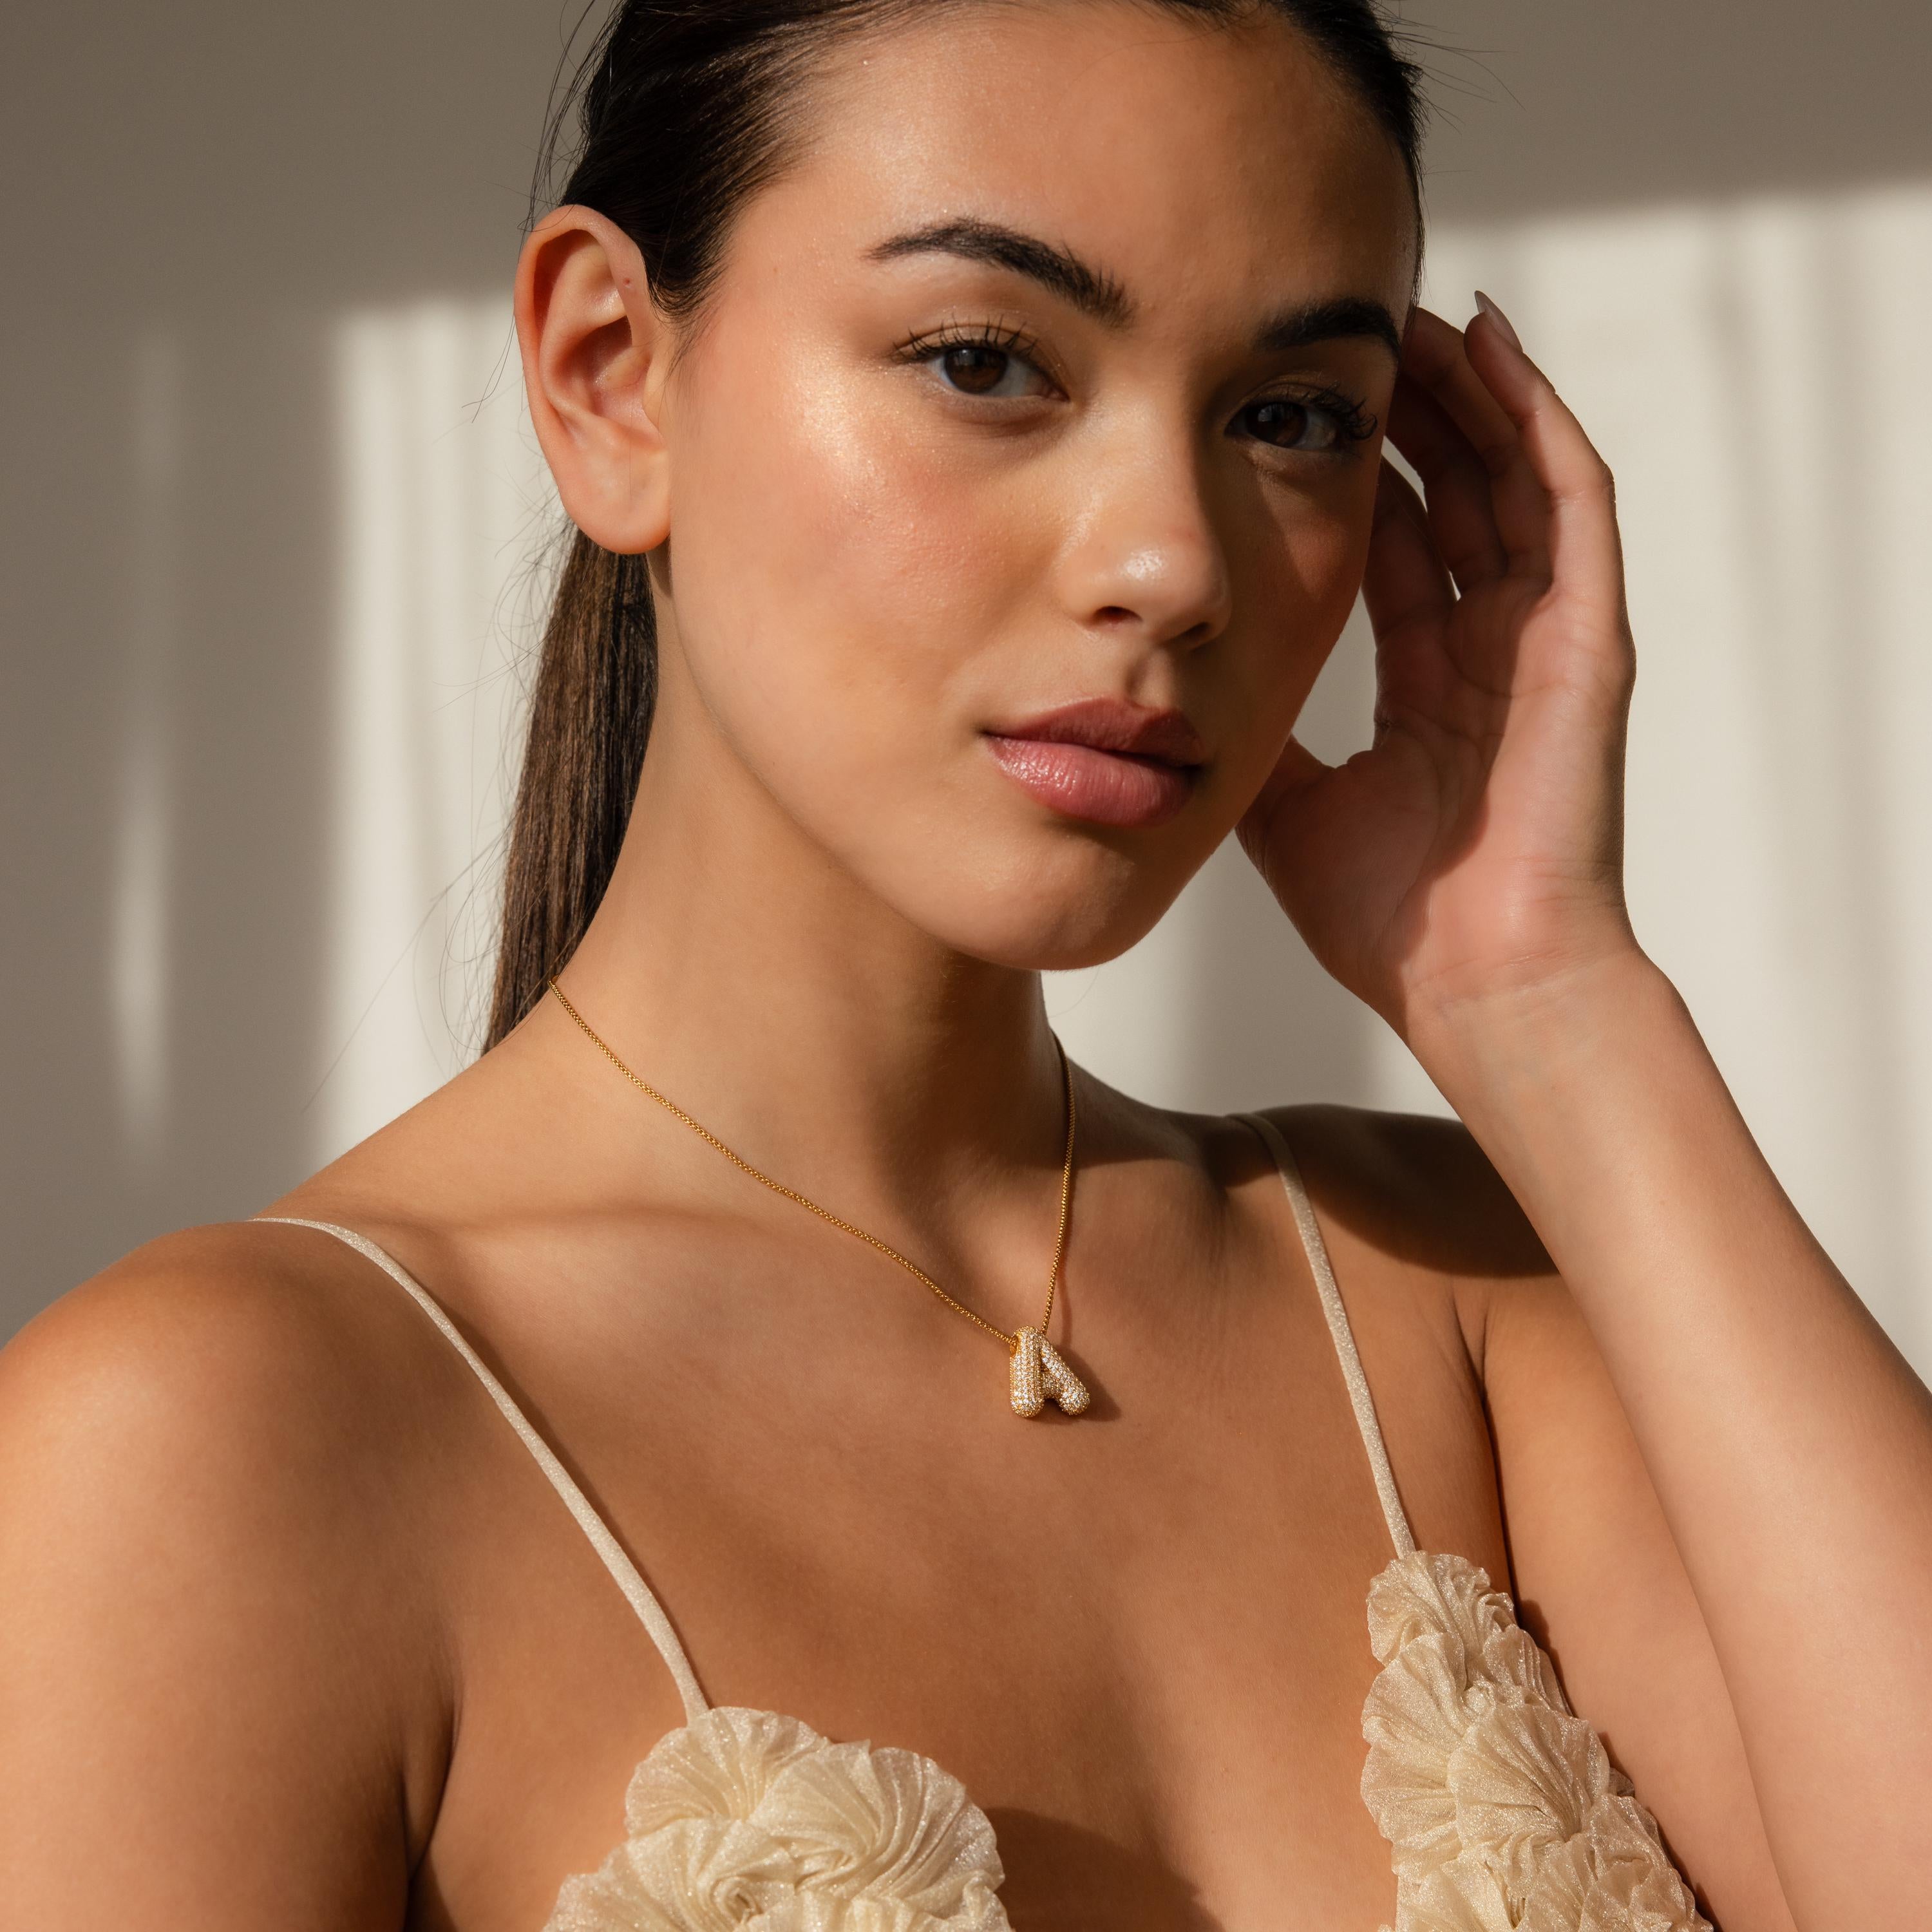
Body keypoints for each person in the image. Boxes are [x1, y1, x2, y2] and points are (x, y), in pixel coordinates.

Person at [1, 1, 1925, 1926]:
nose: (1174, 563)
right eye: (987, 362)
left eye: (1290, 417)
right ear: (612, 379)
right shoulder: (220, 1444)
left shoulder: (1464, 1301)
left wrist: (1547, 998)